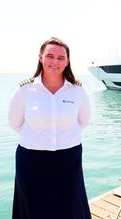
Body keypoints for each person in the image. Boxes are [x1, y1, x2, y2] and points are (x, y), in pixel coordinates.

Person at [8, 37, 91, 219]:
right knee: (33, 208)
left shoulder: (77, 91)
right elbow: (15, 123)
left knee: (70, 208)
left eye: (61, 58)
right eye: (50, 56)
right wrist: (38, 139)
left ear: (67, 61)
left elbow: (84, 121)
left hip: (69, 159)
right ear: (41, 58)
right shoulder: (25, 90)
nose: (55, 61)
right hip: (31, 160)